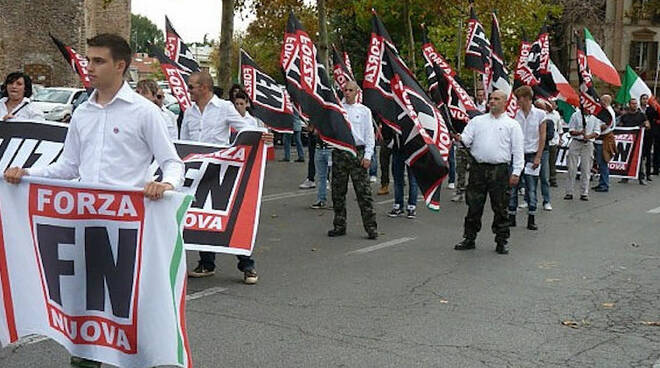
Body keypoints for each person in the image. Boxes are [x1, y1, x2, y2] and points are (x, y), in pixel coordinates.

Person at [4, 33, 183, 368]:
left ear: (121, 65)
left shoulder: (145, 113)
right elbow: (68, 166)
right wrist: (26, 174)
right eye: (89, 60)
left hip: (128, 231)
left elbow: (173, 162)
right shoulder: (83, 113)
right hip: (84, 228)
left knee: (129, 316)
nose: (90, 67)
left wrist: (166, 182)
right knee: (85, 314)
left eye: (98, 61)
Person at [181, 71, 266, 284]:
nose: (188, 90)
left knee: (226, 217)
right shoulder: (189, 112)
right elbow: (182, 140)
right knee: (200, 216)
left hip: (220, 170)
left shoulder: (224, 108)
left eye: (191, 86)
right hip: (196, 172)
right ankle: (206, 263)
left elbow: (245, 128)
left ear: (204, 87)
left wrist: (259, 137)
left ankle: (247, 264)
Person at [453, 90, 524, 255]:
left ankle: (501, 240)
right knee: (474, 206)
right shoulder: (477, 121)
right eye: (491, 99)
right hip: (478, 169)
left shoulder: (512, 125)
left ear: (505, 102)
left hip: (499, 171)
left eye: (497, 99)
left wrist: (517, 172)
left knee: (500, 207)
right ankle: (469, 238)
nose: (492, 101)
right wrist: (459, 138)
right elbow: (466, 139)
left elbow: (518, 151)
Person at [328, 81, 377, 239]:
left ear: (357, 92)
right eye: (345, 90)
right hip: (340, 152)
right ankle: (339, 225)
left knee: (364, 193)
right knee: (338, 192)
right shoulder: (337, 110)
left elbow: (370, 135)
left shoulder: (364, 111)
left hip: (357, 153)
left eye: (350, 90)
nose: (347, 92)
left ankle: (371, 228)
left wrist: (368, 155)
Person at [508, 86, 546, 230]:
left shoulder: (540, 114)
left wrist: (538, 156)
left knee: (531, 187)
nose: (517, 102)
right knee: (513, 186)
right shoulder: (514, 115)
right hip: (516, 154)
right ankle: (511, 215)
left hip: (531, 154)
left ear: (526, 98)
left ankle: (531, 217)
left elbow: (542, 136)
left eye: (519, 99)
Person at [564, 110, 601, 200]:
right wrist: (580, 132)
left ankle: (584, 192)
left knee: (586, 169)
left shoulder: (594, 117)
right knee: (572, 168)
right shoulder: (575, 115)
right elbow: (571, 130)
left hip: (588, 143)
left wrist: (588, 136)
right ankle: (569, 192)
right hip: (576, 141)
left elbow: (597, 132)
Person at [619, 98, 650, 185]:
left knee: (639, 159)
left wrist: (645, 125)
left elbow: (648, 126)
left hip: (638, 141)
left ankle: (641, 178)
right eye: (633, 103)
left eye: (636, 103)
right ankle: (625, 177)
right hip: (627, 141)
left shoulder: (642, 115)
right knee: (626, 158)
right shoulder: (624, 116)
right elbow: (620, 127)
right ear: (629, 105)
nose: (634, 105)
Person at [388, 134, 418, 219]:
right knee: (398, 180)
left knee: (413, 181)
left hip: (412, 150)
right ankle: (398, 205)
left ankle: (412, 206)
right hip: (397, 149)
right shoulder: (395, 121)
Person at [592, 94, 616, 192]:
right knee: (601, 163)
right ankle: (602, 182)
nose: (599, 102)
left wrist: (594, 129)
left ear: (605, 101)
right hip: (601, 140)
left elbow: (605, 126)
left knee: (603, 163)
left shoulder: (608, 113)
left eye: (601, 101)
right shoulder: (608, 111)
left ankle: (604, 184)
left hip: (603, 141)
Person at [310, 125, 332, 209]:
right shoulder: (318, 119)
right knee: (321, 176)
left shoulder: (334, 117)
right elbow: (313, 132)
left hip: (331, 149)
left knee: (334, 176)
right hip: (319, 148)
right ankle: (321, 199)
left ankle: (336, 200)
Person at [546, 100, 563, 188]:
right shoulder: (542, 113)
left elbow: (559, 128)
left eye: (553, 104)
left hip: (553, 141)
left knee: (552, 161)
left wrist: (560, 139)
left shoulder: (556, 114)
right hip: (543, 141)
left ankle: (552, 179)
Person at [640, 94, 656, 182]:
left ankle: (648, 173)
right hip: (639, 135)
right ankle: (639, 173)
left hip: (648, 135)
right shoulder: (638, 110)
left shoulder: (651, 109)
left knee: (648, 154)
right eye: (643, 99)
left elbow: (656, 117)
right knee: (639, 154)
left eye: (646, 99)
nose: (645, 100)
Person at [377, 123, 392, 195]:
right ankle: (384, 185)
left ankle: (401, 181)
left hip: (398, 138)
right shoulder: (383, 112)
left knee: (399, 163)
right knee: (383, 164)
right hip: (386, 139)